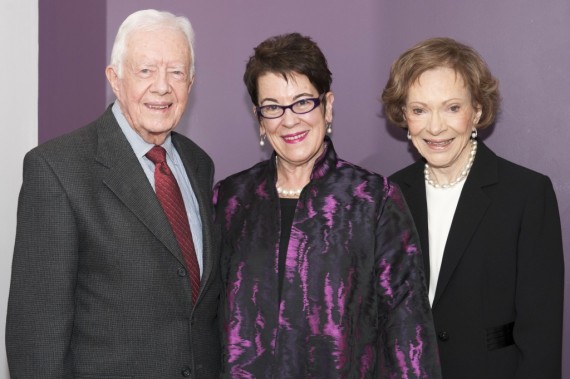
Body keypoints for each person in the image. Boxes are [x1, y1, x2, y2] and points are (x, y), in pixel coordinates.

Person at [6, 9, 221, 378]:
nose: (162, 86)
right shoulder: (57, 170)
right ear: (115, 78)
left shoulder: (199, 165)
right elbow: (36, 341)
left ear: (191, 82)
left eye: (176, 72)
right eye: (145, 70)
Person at [213, 32, 441, 378]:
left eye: (303, 102)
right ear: (260, 119)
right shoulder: (230, 200)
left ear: (328, 105)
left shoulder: (374, 200)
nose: (289, 120)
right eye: (273, 107)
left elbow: (407, 331)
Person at [383, 37, 564, 378]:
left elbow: (541, 333)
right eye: (419, 109)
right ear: (404, 116)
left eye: (452, 107)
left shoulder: (526, 193)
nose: (435, 127)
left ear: (477, 111)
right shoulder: (387, 195)